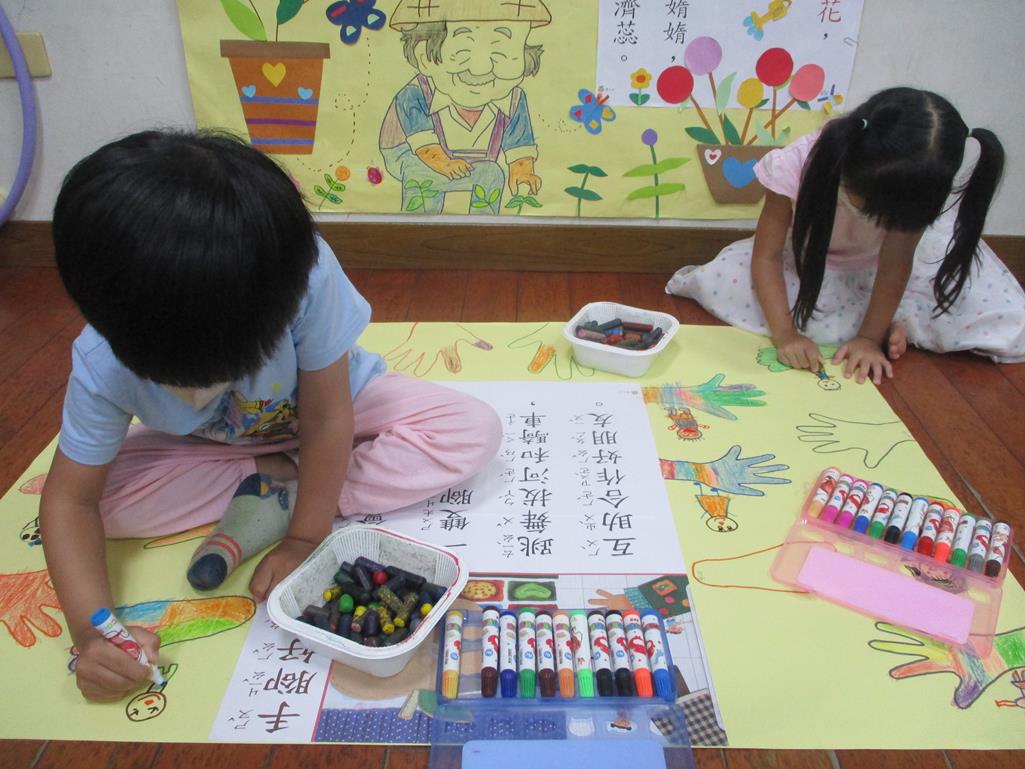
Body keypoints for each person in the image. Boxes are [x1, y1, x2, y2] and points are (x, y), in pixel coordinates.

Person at [40, 130, 502, 701]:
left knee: (471, 430)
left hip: (339, 403)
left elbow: (328, 417)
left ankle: (287, 491)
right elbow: (71, 501)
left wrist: (306, 536)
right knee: (96, 506)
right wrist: (92, 633)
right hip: (216, 447)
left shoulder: (303, 273)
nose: (200, 389)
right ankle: (278, 478)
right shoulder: (102, 362)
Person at [667, 87, 1025, 383]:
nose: (879, 218)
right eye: (868, 206)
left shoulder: (916, 189)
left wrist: (868, 339)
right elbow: (766, 256)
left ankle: (883, 324)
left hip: (877, 270)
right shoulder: (797, 164)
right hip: (806, 262)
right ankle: (891, 323)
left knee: (998, 313)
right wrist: (786, 335)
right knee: (726, 280)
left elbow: (897, 262)